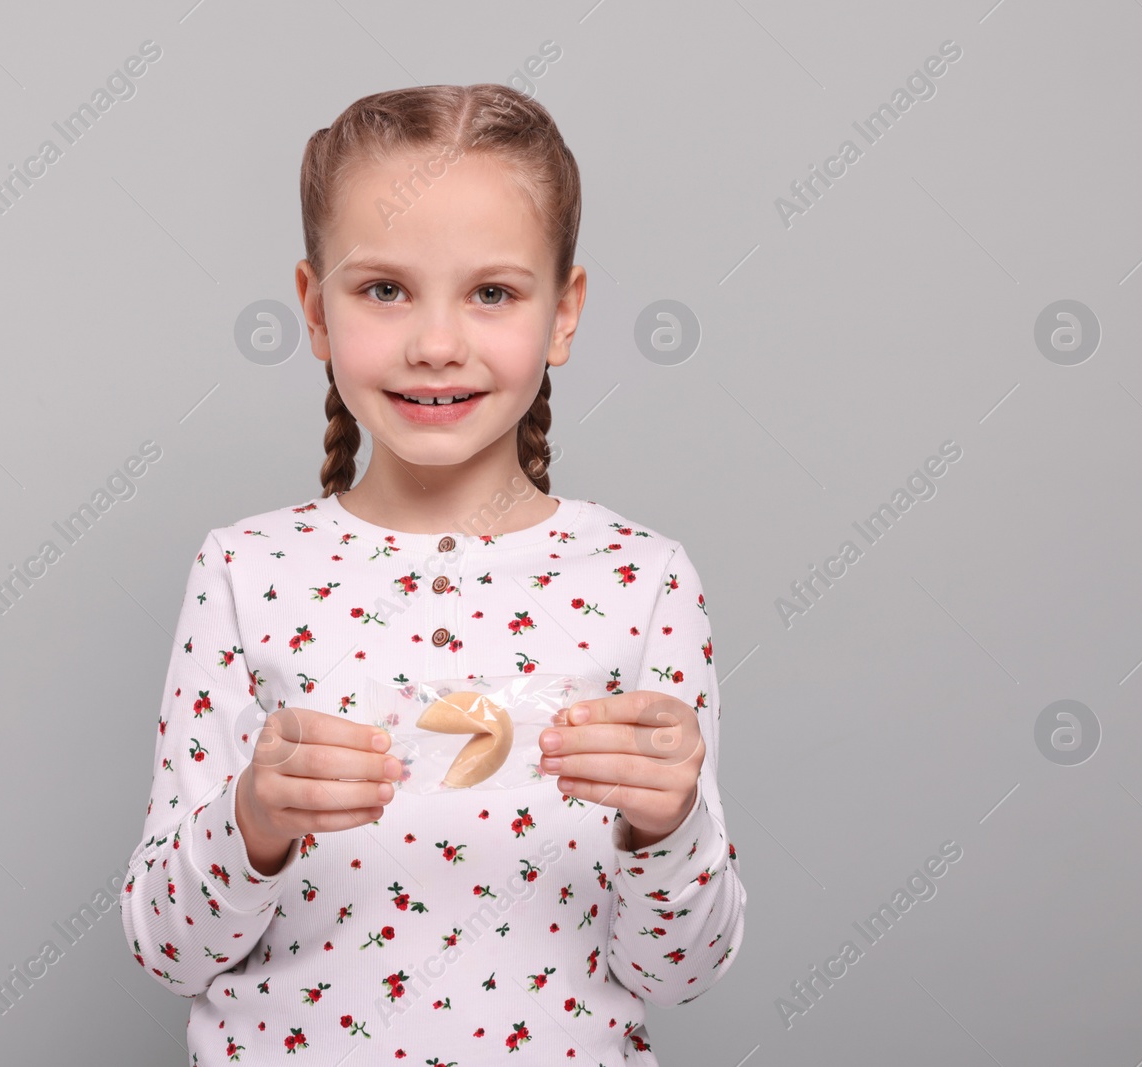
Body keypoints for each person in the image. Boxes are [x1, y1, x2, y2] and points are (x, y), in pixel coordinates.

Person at [120, 83, 745, 1065]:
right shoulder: (247, 570)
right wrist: (254, 817)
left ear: (563, 311)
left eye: (491, 291)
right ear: (314, 308)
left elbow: (682, 971)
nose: (437, 343)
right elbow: (167, 946)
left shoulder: (640, 580)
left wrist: (668, 822)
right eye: (383, 289)